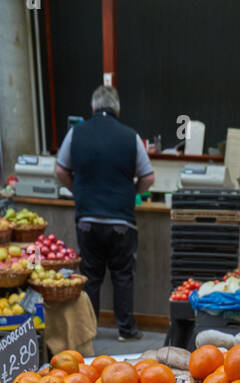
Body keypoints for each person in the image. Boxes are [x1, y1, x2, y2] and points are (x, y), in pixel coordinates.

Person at [55, 86, 154, 341]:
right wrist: (132, 194)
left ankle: (90, 329)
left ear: (93, 107)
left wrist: (78, 191)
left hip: (87, 219)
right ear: (117, 109)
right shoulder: (130, 136)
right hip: (122, 220)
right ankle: (126, 330)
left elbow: (60, 170)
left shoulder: (75, 133)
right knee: (123, 277)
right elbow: (148, 177)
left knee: (90, 277)